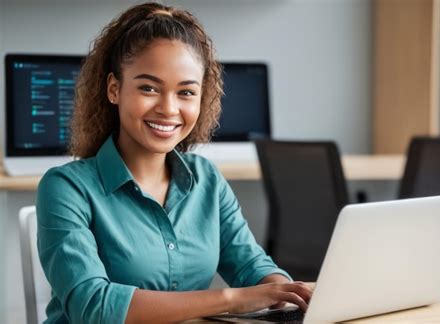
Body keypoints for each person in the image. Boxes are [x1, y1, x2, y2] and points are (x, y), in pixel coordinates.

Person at [36, 2, 312, 323]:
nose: (169, 109)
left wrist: (285, 293)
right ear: (115, 89)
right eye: (149, 88)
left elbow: (249, 264)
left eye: (186, 92)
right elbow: (93, 305)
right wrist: (229, 299)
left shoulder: (206, 177)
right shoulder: (65, 188)